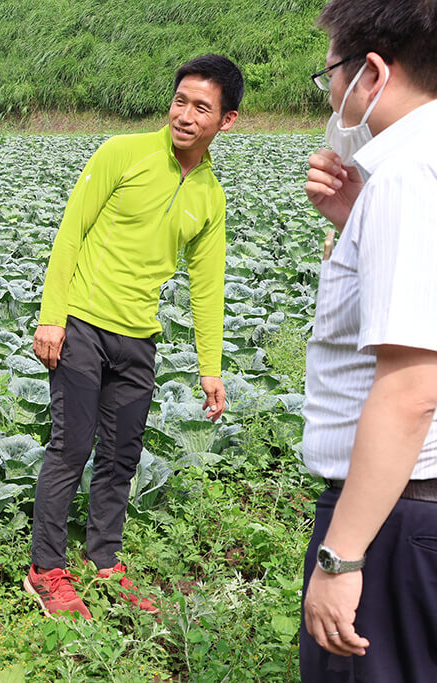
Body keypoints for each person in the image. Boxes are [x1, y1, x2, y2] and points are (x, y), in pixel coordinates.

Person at [24, 54, 242, 619]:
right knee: (71, 447)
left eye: (202, 107)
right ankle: (46, 569)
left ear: (227, 121)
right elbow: (71, 234)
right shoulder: (122, 153)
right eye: (180, 101)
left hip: (138, 339)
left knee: (121, 456)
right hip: (83, 325)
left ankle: (103, 563)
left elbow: (207, 287)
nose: (186, 115)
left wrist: (210, 368)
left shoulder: (210, 198)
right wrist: (53, 316)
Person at [298, 1, 437, 679]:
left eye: (330, 72)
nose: (330, 92)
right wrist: (357, 221)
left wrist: (342, 555)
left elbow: (413, 388)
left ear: (372, 72)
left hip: (395, 515)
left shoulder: (410, 176)